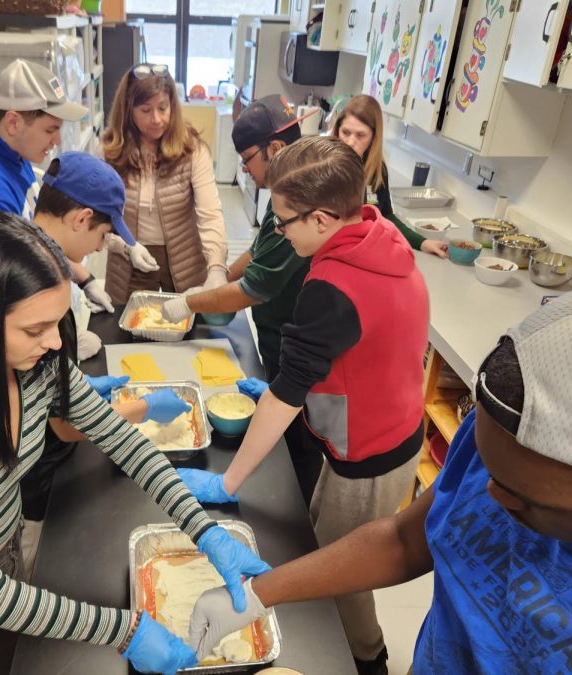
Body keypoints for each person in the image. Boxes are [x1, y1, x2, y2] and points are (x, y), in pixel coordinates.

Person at [0, 213, 271, 674]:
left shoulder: (36, 368)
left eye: (57, 323)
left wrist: (204, 529)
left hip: (6, 556)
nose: (55, 343)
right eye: (34, 330)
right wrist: (126, 630)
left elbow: (126, 445)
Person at [187, 285, 572, 675]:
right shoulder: (507, 445)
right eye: (486, 463)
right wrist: (258, 593)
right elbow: (406, 538)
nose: (489, 492)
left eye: (526, 501)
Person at [178, 137, 429, 675]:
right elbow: (358, 349)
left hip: (370, 452)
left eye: (283, 220)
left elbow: (287, 392)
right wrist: (302, 389)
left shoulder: (332, 285)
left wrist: (229, 482)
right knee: (323, 539)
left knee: (344, 570)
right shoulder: (374, 232)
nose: (276, 231)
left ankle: (366, 660)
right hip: (393, 422)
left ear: (320, 218)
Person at [160, 94, 324, 504]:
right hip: (275, 340)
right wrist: (217, 277)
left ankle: (296, 524)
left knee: (296, 456)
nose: (246, 172)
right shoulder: (285, 190)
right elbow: (259, 248)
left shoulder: (303, 203)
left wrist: (194, 303)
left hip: (295, 347)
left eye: (247, 158)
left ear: (274, 148)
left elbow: (255, 289)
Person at [0, 58, 158, 350]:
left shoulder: (12, 156)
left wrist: (84, 278)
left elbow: (32, 237)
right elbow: (2, 288)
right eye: (50, 129)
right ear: (13, 121)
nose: (55, 141)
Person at [20, 151, 194, 521]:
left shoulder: (27, 248)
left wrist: (72, 383)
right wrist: (144, 408)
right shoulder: (39, 282)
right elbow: (65, 427)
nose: (101, 247)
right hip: (40, 477)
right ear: (82, 218)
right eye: (103, 234)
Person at [101, 63, 228, 304]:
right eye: (145, 110)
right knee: (129, 330)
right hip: (130, 261)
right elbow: (98, 219)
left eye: (163, 108)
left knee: (188, 331)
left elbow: (210, 214)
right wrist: (126, 247)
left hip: (185, 260)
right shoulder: (110, 152)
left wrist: (217, 268)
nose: (157, 119)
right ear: (128, 110)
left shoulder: (192, 149)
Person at [332, 94, 448, 259]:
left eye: (360, 135)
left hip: (360, 254)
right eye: (345, 132)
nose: (350, 141)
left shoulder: (375, 171)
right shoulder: (323, 167)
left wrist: (422, 242)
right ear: (337, 130)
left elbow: (384, 215)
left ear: (373, 137)